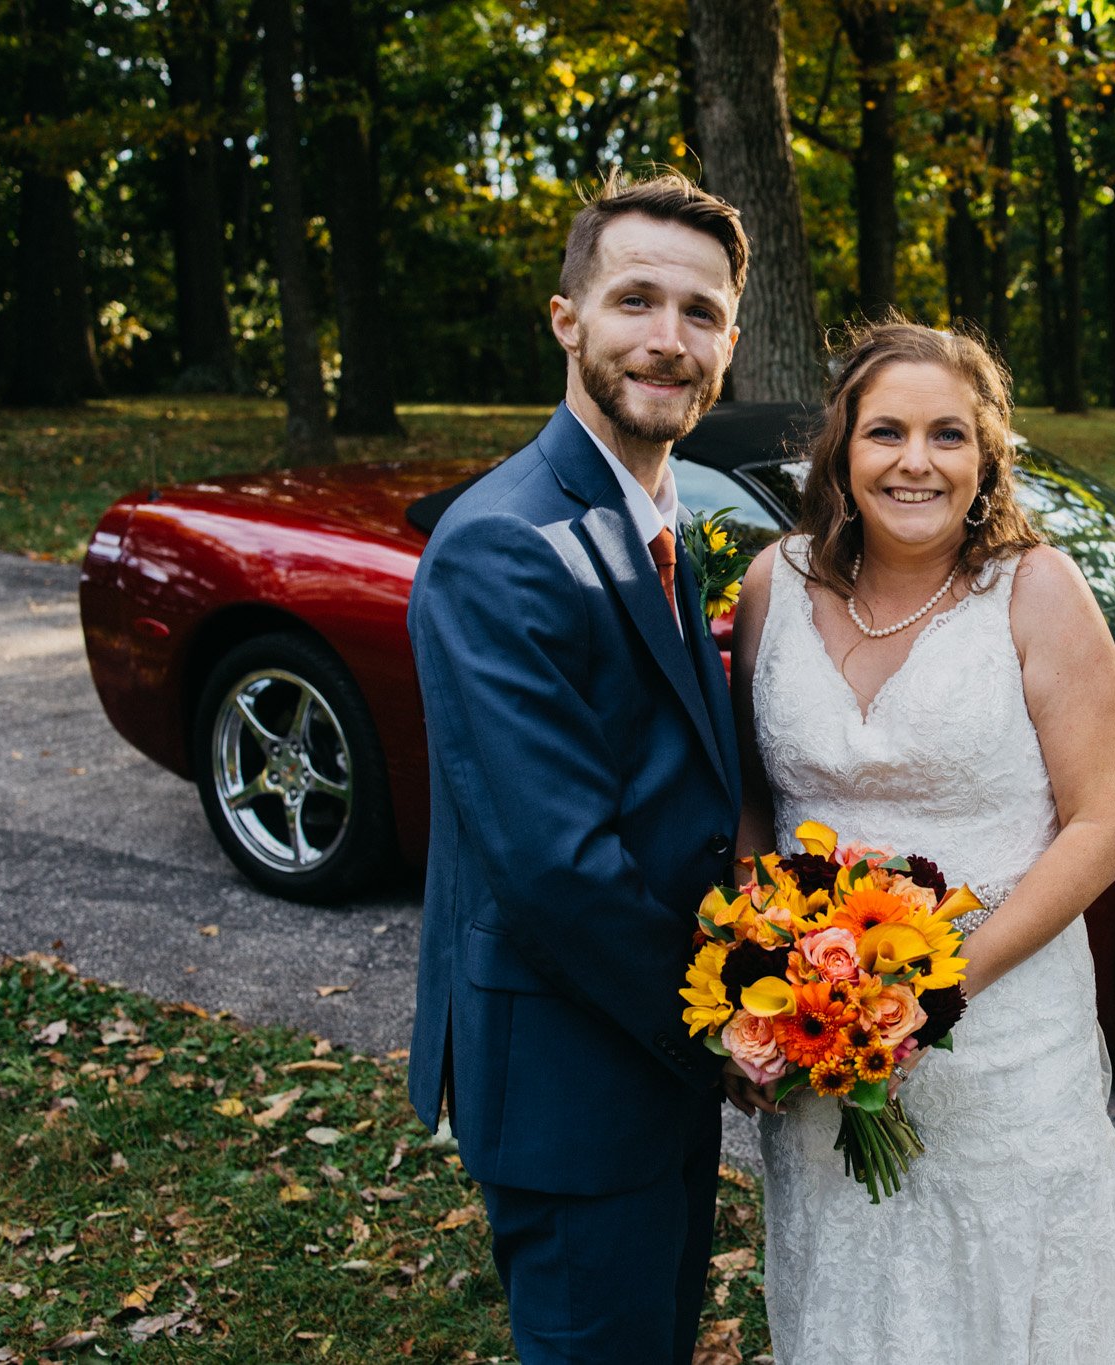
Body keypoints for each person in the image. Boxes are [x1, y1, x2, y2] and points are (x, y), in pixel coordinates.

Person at [726, 322, 1115, 1361]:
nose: (914, 461)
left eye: (947, 435)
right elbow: (750, 802)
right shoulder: (771, 586)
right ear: (840, 452)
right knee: (853, 1289)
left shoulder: (1036, 591)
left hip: (1004, 1043)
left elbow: (1103, 828)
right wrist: (762, 974)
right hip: (819, 1033)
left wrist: (935, 991)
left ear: (985, 457)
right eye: (885, 432)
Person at [405, 170, 746, 1363]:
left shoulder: (655, 513)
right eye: (634, 301)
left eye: (699, 313)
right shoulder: (504, 544)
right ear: (567, 320)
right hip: (571, 1075)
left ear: (729, 341)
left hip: (644, 1062)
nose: (668, 339)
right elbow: (555, 863)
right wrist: (728, 1021)